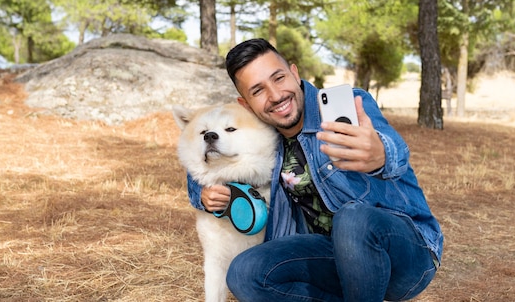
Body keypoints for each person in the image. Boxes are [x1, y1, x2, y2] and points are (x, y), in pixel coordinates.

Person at [187, 38, 443, 301]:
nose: (275, 96)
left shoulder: (349, 108)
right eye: (258, 91)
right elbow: (205, 155)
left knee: (352, 218)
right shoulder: (264, 136)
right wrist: (202, 194)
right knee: (244, 273)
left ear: (295, 74)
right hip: (331, 256)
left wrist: (380, 153)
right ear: (246, 105)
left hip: (405, 255)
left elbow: (395, 150)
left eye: (278, 78)